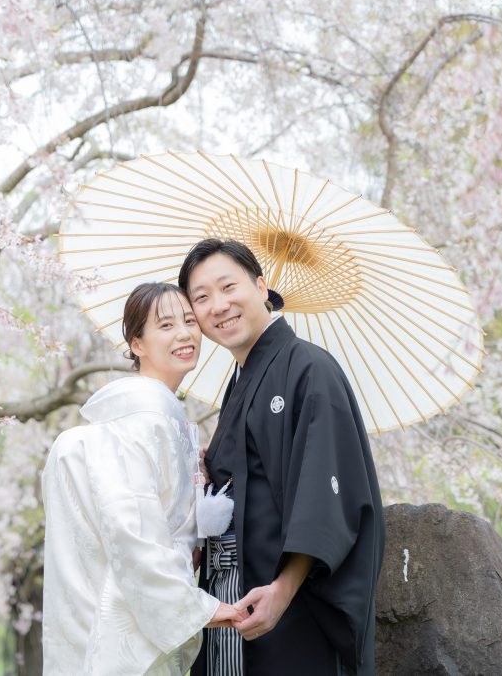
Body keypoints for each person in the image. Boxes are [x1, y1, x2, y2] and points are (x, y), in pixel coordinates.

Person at [180, 239, 385, 676]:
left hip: (284, 600)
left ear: (261, 286)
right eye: (201, 298)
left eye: (228, 287)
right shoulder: (239, 382)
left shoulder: (311, 368)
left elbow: (326, 496)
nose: (218, 305)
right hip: (231, 595)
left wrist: (283, 589)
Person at [42, 282, 245, 675]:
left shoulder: (167, 422)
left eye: (189, 321)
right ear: (137, 343)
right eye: (166, 325)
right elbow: (130, 531)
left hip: (148, 618)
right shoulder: (142, 422)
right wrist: (198, 608)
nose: (185, 334)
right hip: (130, 626)